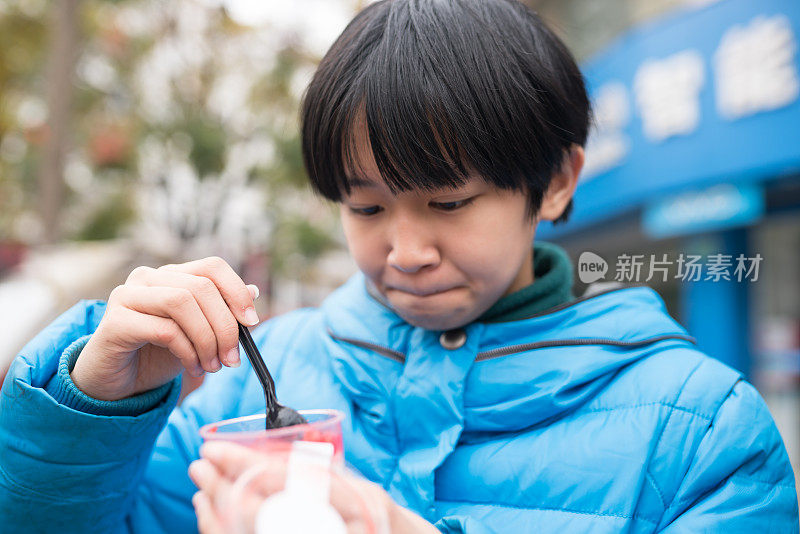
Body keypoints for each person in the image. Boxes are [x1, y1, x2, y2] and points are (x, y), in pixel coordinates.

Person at [1, 0, 797, 532]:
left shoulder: (703, 435)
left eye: (449, 203)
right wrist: (87, 412)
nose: (405, 252)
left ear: (555, 181)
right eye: (368, 208)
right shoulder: (258, 387)